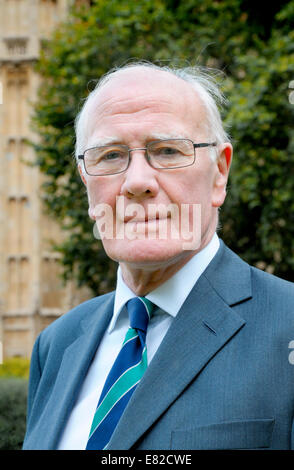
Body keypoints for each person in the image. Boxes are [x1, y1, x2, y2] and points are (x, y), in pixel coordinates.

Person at [23, 62, 294, 450]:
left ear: (220, 173)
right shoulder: (56, 344)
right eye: (110, 156)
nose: (136, 182)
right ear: (86, 179)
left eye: (167, 151)